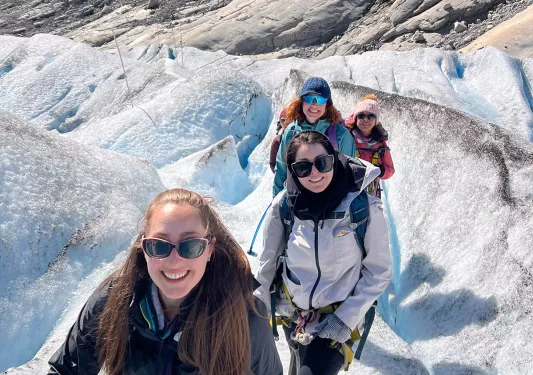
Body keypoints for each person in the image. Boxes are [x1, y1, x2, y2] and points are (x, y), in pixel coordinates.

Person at [48, 188, 283, 375]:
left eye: (190, 246)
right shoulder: (114, 300)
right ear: (144, 247)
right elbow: (65, 369)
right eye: (159, 246)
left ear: (209, 249)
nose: (174, 261)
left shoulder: (244, 314)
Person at [256, 131, 392, 375]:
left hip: (337, 320)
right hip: (293, 315)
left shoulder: (363, 208)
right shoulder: (284, 206)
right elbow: (265, 267)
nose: (315, 173)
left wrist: (344, 319)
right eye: (303, 167)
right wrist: (258, 314)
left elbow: (378, 271)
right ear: (292, 171)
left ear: (334, 159)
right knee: (298, 364)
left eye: (322, 163)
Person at [272, 77, 356, 197]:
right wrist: (277, 200)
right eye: (310, 98)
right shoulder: (291, 132)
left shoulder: (340, 135)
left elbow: (349, 172)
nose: (314, 105)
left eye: (320, 100)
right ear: (302, 101)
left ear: (327, 104)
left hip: (332, 200)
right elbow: (281, 167)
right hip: (298, 201)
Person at [345, 94, 394, 196]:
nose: (365, 120)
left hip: (371, 194)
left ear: (376, 120)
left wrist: (380, 170)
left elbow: (390, 169)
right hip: (347, 191)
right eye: (361, 116)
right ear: (355, 118)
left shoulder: (380, 145)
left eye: (370, 116)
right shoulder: (346, 138)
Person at [269, 108, 288, 173]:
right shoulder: (277, 141)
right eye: (283, 120)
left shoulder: (301, 135)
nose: (286, 122)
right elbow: (273, 163)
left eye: (289, 119)